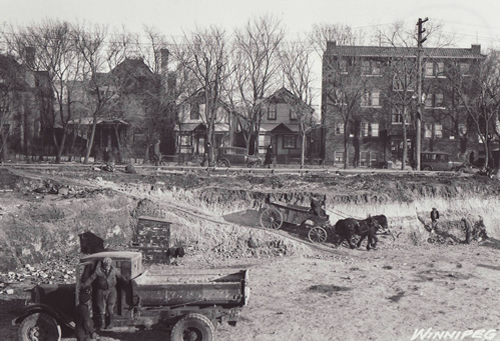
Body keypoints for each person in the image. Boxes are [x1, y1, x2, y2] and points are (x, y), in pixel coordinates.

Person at [83, 257, 128, 330]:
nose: (107, 266)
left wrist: (127, 283)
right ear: (103, 264)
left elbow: (120, 277)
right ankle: (102, 324)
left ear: (110, 264)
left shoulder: (114, 270)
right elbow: (91, 278)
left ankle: (111, 323)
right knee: (101, 308)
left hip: (111, 291)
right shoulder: (98, 270)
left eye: (108, 264)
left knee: (110, 307)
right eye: (106, 264)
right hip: (100, 291)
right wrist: (85, 285)